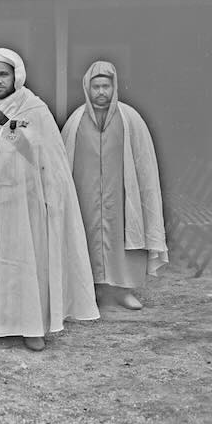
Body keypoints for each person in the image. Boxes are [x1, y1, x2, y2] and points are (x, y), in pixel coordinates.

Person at [0, 48, 99, 351]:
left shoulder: (34, 110)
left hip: (24, 205)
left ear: (16, 76)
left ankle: (30, 326)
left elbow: (49, 160)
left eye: (4, 74)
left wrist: (18, 141)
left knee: (24, 263)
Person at [61, 60, 168, 311]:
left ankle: (123, 290)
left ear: (114, 87)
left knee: (124, 238)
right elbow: (63, 163)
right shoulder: (76, 120)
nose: (101, 92)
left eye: (106, 86)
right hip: (85, 195)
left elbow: (144, 162)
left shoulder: (131, 119)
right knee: (86, 238)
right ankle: (93, 289)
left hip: (121, 195)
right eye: (96, 86)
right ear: (87, 88)